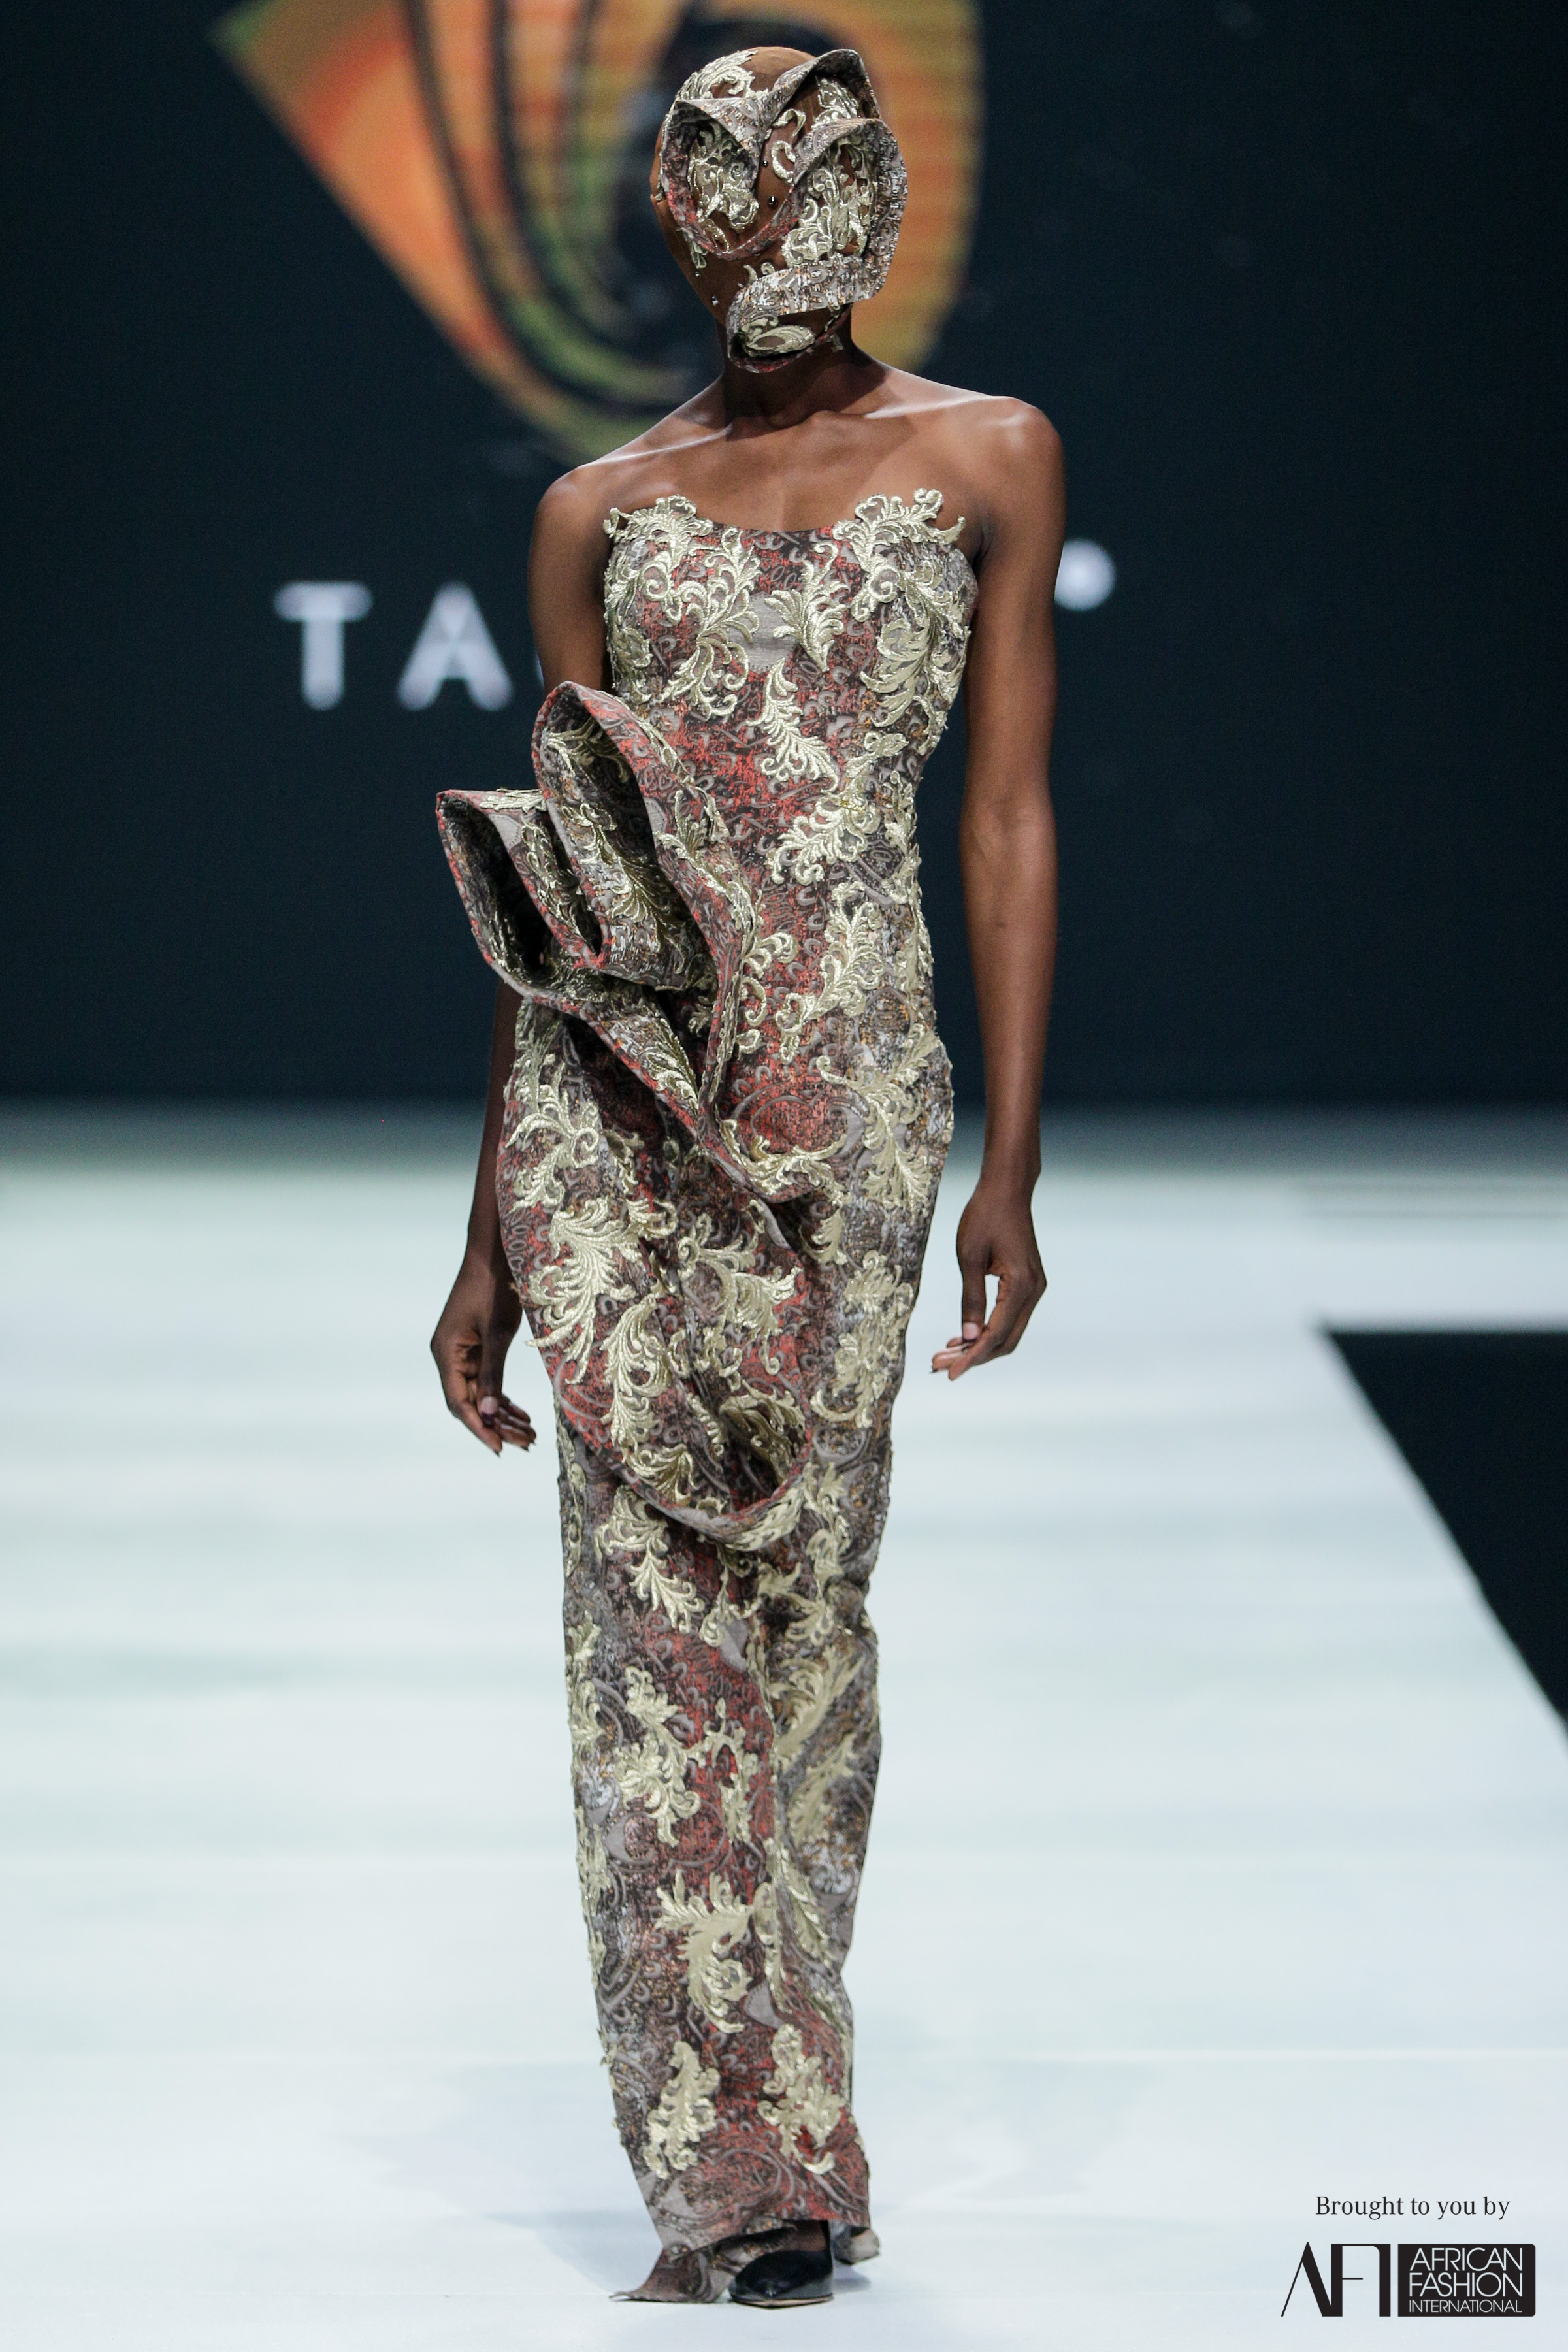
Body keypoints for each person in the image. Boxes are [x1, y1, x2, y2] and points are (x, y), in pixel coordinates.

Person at [430, 44, 1060, 2308]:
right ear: (686, 225)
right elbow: (572, 908)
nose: (759, 235)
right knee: (643, 1624)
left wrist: (1011, 1164)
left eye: (794, 188)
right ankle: (735, 2177)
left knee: (805, 1593)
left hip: (859, 1097)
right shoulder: (596, 511)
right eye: (724, 196)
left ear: (858, 202)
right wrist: (492, 1240)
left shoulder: (990, 455)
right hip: (627, 1112)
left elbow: (1005, 820)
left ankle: (800, 2107)